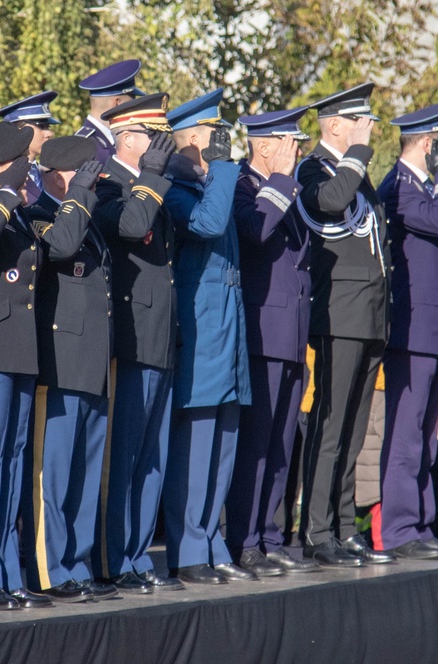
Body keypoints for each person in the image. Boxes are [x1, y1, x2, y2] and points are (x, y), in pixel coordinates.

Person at [0, 122, 96, 605]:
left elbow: (57, 246)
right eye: (21, 160)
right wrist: (7, 193)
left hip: (21, 352)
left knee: (13, 464)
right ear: (1, 165)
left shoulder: (20, 214)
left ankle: (9, 570)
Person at [159, 89, 255, 585]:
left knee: (225, 438)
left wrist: (218, 170)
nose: (222, 141)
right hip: (200, 328)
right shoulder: (177, 188)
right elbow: (212, 224)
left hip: (227, 324)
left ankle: (212, 541)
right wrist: (220, 167)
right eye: (214, 134)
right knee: (196, 442)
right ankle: (188, 548)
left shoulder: (207, 181)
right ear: (193, 139)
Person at [224, 107, 320, 576]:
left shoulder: (288, 184)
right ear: (263, 145)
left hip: (293, 331)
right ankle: (242, 539)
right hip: (263, 332)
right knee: (256, 444)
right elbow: (255, 230)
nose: (296, 149)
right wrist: (281, 180)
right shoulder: (244, 184)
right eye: (288, 141)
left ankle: (269, 535)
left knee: (282, 442)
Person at [295, 82, 387, 568]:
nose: (367, 128)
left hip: (368, 314)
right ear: (334, 125)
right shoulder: (314, 167)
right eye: (359, 121)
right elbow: (330, 202)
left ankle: (345, 525)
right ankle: (317, 530)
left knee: (353, 431)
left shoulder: (356, 170)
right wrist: (357, 152)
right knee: (329, 428)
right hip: (338, 314)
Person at [92, 93, 181, 590]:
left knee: (152, 457)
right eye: (152, 136)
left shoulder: (151, 184)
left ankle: (138, 556)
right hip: (130, 339)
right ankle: (113, 558)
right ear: (127, 139)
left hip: (159, 336)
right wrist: (151, 174)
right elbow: (132, 226)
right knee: (124, 457)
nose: (161, 146)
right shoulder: (109, 186)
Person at [19, 137, 111, 605]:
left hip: (91, 361)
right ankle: (48, 567)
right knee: (50, 477)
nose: (95, 181)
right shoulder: (40, 214)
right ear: (61, 175)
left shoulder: (84, 214)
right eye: (86, 173)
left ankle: (76, 562)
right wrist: (77, 194)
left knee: (83, 473)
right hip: (59, 362)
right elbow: (60, 247)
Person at [378, 100, 438, 560]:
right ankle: (399, 530)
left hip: (434, 328)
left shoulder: (420, 187)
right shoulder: (398, 187)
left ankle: (422, 525)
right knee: (407, 433)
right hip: (412, 330)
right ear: (430, 144)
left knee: (426, 436)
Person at [0, 91, 59, 204]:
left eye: (48, 127)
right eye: (41, 127)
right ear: (20, 130)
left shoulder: (48, 173)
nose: (49, 133)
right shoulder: (5, 173)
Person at [76, 60, 143, 164]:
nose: (134, 109)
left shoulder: (113, 138)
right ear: (117, 103)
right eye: (131, 103)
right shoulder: (83, 146)